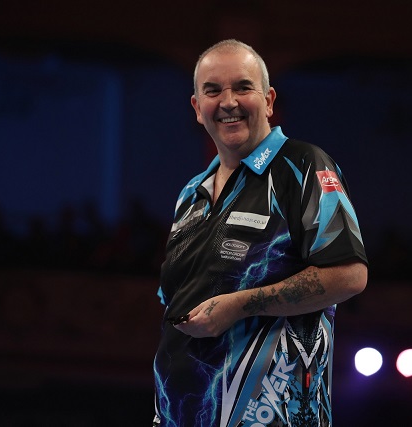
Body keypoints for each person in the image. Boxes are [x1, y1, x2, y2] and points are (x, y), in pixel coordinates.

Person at [152, 39, 368, 427]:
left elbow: (349, 275)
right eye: (213, 91)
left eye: (242, 87)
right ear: (197, 108)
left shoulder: (303, 166)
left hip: (272, 416)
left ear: (268, 100)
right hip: (178, 415)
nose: (228, 101)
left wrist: (241, 305)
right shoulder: (191, 193)